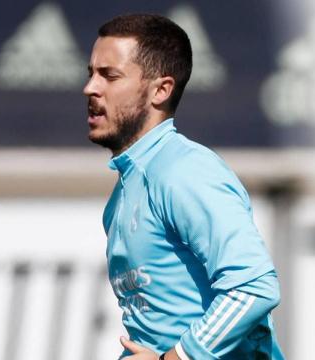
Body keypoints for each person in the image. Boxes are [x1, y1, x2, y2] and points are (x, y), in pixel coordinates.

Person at [83, 14, 284, 360]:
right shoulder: (124, 193)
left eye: (109, 76)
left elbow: (254, 287)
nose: (90, 88)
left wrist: (173, 359)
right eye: (91, 74)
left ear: (161, 90)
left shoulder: (186, 170)